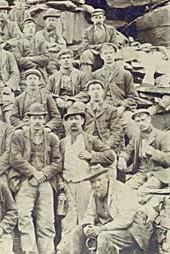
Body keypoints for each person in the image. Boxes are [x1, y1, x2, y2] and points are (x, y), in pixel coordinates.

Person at [57, 103, 115, 253]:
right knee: (68, 221)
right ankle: (66, 250)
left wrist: (92, 156)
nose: (73, 122)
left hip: (84, 184)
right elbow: (57, 163)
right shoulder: (62, 143)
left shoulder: (90, 140)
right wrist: (60, 180)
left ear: (82, 121)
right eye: (70, 119)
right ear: (66, 122)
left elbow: (110, 156)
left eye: (76, 118)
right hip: (67, 185)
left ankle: (87, 250)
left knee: (85, 219)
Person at [10, 103, 62, 254]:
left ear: (44, 120)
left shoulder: (52, 138)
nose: (37, 121)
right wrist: (33, 172)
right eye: (34, 118)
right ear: (28, 119)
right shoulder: (19, 135)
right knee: (23, 216)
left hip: (45, 181)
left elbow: (57, 162)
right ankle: (30, 251)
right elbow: (15, 158)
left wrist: (43, 174)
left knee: (46, 220)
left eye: (40, 118)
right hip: (26, 180)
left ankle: (47, 251)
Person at [70, 166, 151, 254]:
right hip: (108, 229)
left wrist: (102, 228)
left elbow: (126, 220)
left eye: (99, 180)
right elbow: (90, 213)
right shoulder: (95, 193)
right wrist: (87, 226)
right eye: (93, 182)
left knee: (104, 237)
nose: (97, 185)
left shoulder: (121, 190)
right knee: (77, 232)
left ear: (107, 179)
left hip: (130, 232)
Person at [118, 109, 170, 202]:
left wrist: (153, 152)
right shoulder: (136, 137)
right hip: (141, 173)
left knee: (141, 193)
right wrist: (122, 158)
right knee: (124, 190)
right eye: (138, 121)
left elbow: (168, 159)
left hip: (159, 174)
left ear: (149, 119)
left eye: (143, 120)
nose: (141, 123)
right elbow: (128, 150)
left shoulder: (163, 136)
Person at [92, 43, 139, 140]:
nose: (108, 56)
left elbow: (133, 97)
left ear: (115, 55)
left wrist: (122, 107)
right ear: (101, 56)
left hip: (121, 110)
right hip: (102, 110)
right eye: (105, 53)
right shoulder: (95, 75)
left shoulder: (125, 74)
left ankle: (138, 153)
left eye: (111, 53)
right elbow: (91, 95)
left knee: (134, 131)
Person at [10, 69, 62, 134]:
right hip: (25, 128)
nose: (32, 81)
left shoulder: (47, 97)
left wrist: (48, 127)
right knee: (17, 134)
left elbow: (56, 117)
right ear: (26, 81)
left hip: (43, 127)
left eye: (35, 79)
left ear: (39, 81)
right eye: (30, 79)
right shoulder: (19, 99)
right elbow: (13, 117)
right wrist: (22, 126)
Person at [84, 79, 124, 154]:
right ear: (88, 92)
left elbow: (117, 132)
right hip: (88, 144)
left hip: (105, 143)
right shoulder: (84, 109)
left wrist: (108, 145)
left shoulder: (111, 110)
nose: (96, 92)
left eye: (98, 89)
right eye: (93, 89)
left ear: (103, 91)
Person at [46, 49, 89, 114]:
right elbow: (47, 92)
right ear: (59, 61)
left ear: (72, 60)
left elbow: (85, 92)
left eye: (68, 58)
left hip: (75, 100)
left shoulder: (81, 75)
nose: (66, 60)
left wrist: (72, 100)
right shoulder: (53, 77)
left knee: (78, 106)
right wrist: (57, 99)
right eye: (63, 58)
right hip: (59, 100)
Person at [11, 17, 50, 90]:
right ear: (23, 30)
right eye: (28, 27)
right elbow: (18, 59)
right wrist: (34, 66)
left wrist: (30, 58)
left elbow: (46, 58)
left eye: (33, 27)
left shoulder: (40, 42)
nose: (31, 28)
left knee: (43, 88)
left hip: (40, 71)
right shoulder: (18, 43)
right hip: (24, 71)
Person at [80, 8, 120, 74]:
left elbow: (114, 43)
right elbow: (85, 45)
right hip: (94, 54)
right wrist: (100, 47)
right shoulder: (87, 31)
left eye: (100, 18)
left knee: (118, 53)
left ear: (104, 18)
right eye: (96, 18)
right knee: (86, 54)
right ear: (92, 19)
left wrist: (106, 48)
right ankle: (86, 79)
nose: (98, 20)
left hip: (108, 51)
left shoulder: (111, 29)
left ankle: (117, 77)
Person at [35, 9, 67, 75]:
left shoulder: (58, 35)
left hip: (58, 58)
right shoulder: (40, 34)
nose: (51, 22)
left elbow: (63, 45)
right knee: (55, 73)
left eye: (53, 20)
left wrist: (54, 47)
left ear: (56, 23)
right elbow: (43, 45)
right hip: (47, 60)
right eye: (49, 20)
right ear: (45, 22)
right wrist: (53, 45)